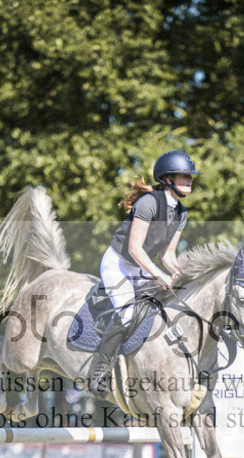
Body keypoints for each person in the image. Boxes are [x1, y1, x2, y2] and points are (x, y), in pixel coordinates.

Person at [88, 150, 200, 397]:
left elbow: (168, 256)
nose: (190, 179)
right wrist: (160, 276)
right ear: (168, 179)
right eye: (185, 176)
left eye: (191, 176)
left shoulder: (181, 213)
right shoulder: (148, 203)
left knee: (167, 308)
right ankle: (98, 372)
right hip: (118, 264)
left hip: (141, 265)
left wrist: (185, 277)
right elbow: (134, 248)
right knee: (128, 315)